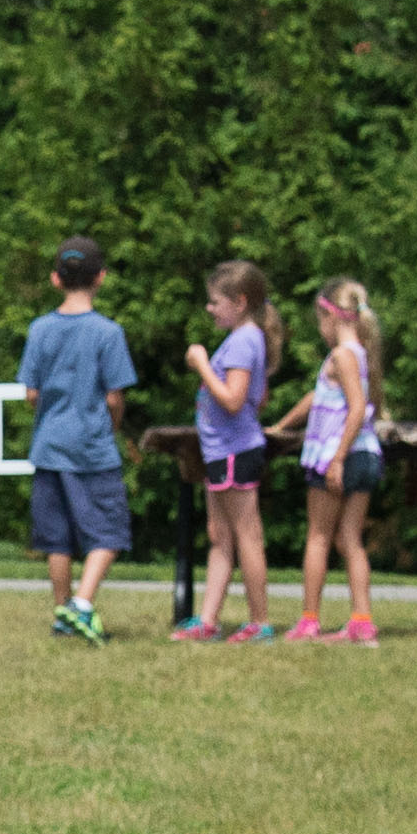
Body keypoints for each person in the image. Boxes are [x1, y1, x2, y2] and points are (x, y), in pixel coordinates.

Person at [17, 236, 135, 644]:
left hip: (49, 446)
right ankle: (82, 604)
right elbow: (114, 397)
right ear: (101, 277)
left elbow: (31, 393)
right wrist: (112, 426)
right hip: (92, 449)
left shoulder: (39, 329)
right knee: (108, 532)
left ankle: (63, 610)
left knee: (57, 538)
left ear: (55, 279)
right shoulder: (108, 333)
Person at [275, 275, 383, 648]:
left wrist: (336, 459)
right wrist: (282, 425)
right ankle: (361, 621)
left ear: (331, 316)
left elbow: (357, 409)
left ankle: (309, 620)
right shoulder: (360, 354)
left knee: (318, 538)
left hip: (339, 457)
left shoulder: (341, 356)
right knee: (350, 539)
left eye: (319, 320)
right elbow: (317, 397)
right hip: (365, 454)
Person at [173, 260, 278, 642]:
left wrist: (202, 365)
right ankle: (208, 620)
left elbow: (234, 400)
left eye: (215, 301)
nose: (209, 308)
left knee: (247, 535)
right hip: (220, 452)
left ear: (240, 301)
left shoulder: (244, 340)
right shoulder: (243, 339)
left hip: (235, 452)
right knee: (219, 535)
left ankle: (259, 621)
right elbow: (258, 397)